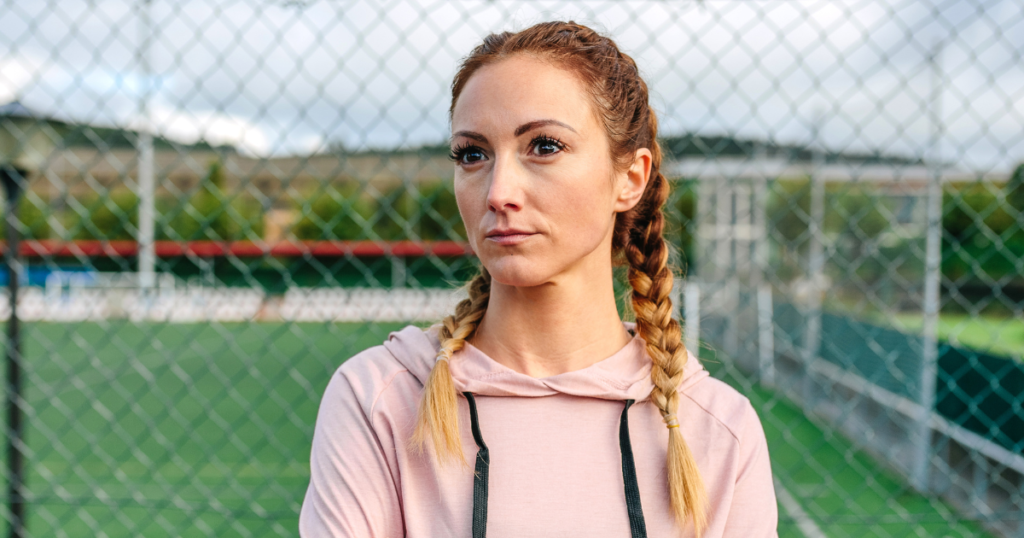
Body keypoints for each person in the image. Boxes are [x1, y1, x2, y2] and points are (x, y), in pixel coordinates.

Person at [299, 21, 778, 538]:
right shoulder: (380, 400)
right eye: (472, 154)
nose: (498, 191)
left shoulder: (719, 430)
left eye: (544, 146)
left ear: (630, 178)